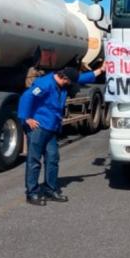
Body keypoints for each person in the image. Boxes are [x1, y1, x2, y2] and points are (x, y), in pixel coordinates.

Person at [19, 64, 105, 206]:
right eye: (69, 82)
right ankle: (32, 193)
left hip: (52, 127)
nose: (71, 85)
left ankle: (50, 189)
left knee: (52, 158)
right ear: (64, 78)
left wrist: (100, 70)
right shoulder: (45, 84)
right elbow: (27, 96)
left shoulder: (63, 81)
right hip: (38, 127)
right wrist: (26, 118)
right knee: (34, 161)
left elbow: (80, 78)